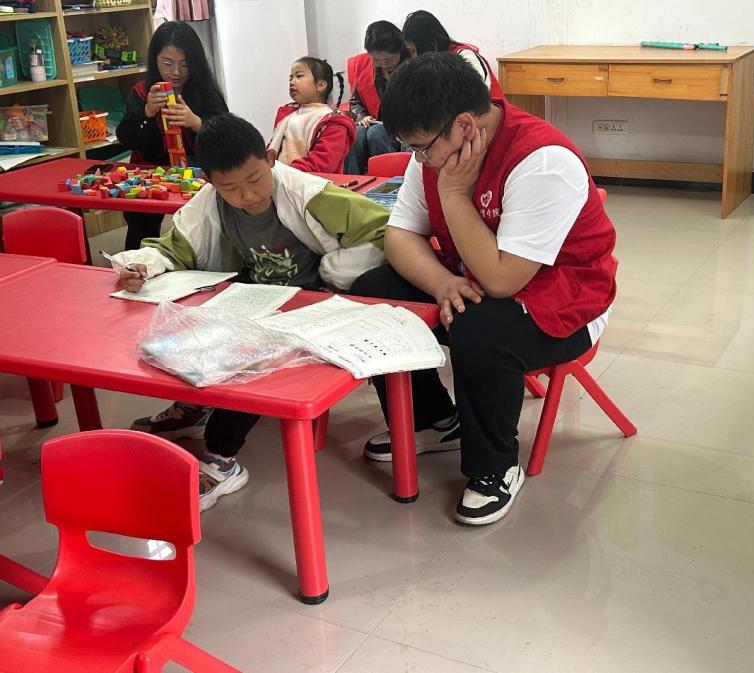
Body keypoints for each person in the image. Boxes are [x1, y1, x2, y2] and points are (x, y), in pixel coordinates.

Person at [349, 53, 617, 526]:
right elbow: (400, 235)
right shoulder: (438, 150)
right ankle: (433, 420)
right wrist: (441, 281)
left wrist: (453, 194)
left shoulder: (542, 160)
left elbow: (502, 280)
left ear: (464, 126)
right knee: (375, 291)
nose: (419, 159)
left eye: (421, 148)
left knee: (480, 327)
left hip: (568, 302)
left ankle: (496, 466)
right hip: (475, 278)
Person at [112, 113, 389, 511]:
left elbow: (383, 228)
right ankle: (194, 409)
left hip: (312, 302)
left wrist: (336, 272)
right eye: (231, 188)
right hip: (253, 300)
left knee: (251, 353)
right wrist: (141, 265)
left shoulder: (308, 193)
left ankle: (221, 456)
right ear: (210, 181)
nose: (248, 196)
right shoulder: (210, 204)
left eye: (255, 179)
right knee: (182, 330)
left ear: (271, 159)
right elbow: (174, 247)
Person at [117, 21, 228, 250]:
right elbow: (126, 137)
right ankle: (137, 260)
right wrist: (147, 112)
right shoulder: (142, 91)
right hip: (151, 170)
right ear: (155, 60)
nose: (176, 72)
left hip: (196, 169)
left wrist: (196, 123)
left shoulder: (205, 91)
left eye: (184, 65)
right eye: (167, 64)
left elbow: (227, 135)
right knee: (140, 218)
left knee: (206, 219)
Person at [343, 21, 411, 175]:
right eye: (377, 60)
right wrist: (362, 116)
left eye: (388, 60)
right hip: (374, 122)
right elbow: (355, 102)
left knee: (377, 133)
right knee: (355, 133)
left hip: (402, 127)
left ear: (399, 50)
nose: (383, 65)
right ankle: (352, 182)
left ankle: (387, 183)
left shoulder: (412, 69)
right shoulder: (366, 69)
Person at [269, 56, 355, 174]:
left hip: (314, 182)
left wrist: (283, 173)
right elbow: (271, 149)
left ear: (321, 85)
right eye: (290, 78)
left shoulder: (334, 122)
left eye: (299, 76)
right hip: (280, 178)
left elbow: (322, 163)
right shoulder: (287, 115)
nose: (292, 82)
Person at [401, 10, 503, 98]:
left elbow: (475, 98)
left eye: (414, 51)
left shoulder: (466, 57)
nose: (413, 57)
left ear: (431, 44)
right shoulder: (429, 66)